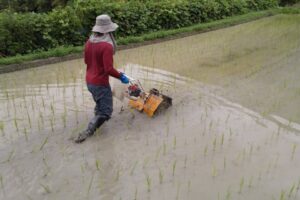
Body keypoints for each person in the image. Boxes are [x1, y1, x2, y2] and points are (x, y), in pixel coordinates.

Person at [75, 14, 129, 143]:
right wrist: (121, 76)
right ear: (108, 31)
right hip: (100, 83)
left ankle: (97, 120)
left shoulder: (89, 42)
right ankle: (88, 131)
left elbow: (86, 61)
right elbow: (108, 69)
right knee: (106, 112)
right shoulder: (106, 46)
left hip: (89, 81)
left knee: (100, 104)